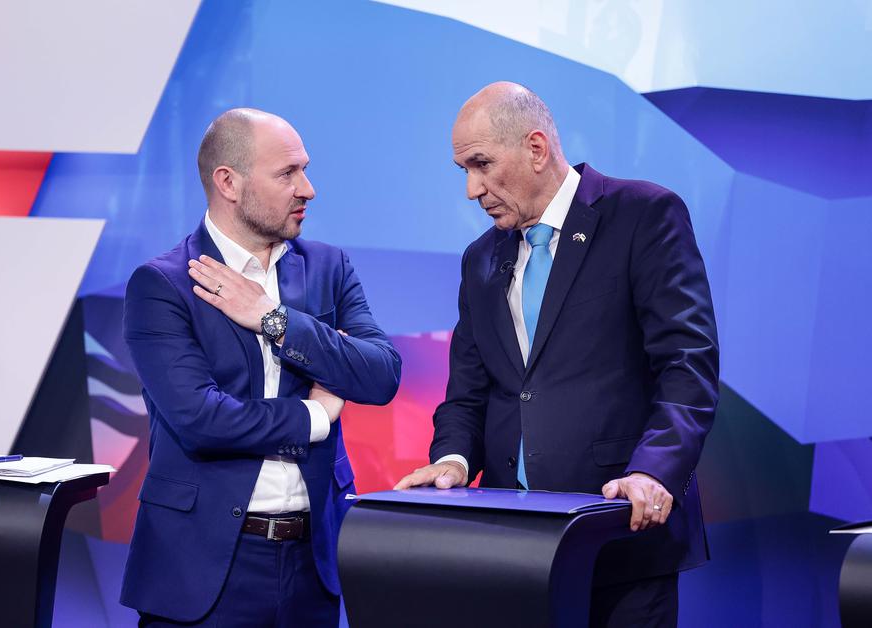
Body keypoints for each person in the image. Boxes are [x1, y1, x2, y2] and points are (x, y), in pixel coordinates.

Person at [395, 82, 719, 626]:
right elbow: (469, 391)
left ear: (536, 148)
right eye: (464, 170)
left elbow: (687, 363)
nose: (472, 189)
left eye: (481, 164)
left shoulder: (642, 214)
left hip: (619, 533)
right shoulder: (480, 258)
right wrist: (452, 460)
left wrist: (654, 471)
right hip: (513, 549)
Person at [120, 108, 401, 627]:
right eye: (287, 173)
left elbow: (381, 375)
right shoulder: (163, 285)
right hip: (201, 568)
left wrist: (276, 320)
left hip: (312, 565)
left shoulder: (329, 268)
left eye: (305, 170)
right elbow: (201, 419)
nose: (308, 189)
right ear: (228, 182)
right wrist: (316, 415)